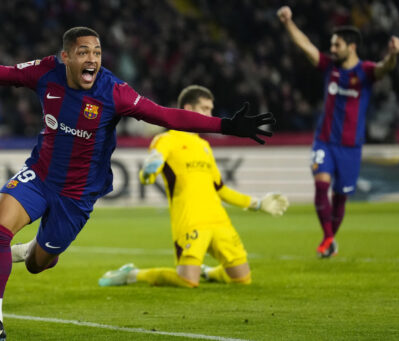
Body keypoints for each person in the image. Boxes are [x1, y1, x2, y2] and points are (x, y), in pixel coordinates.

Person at [0, 24, 275, 341]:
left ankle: (33, 251)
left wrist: (225, 126)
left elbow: (166, 115)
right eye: (82, 52)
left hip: (77, 196)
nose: (92, 58)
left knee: (39, 264)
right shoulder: (45, 73)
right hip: (40, 175)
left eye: (96, 52)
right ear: (65, 57)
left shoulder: (114, 92)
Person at [98, 85, 289, 289]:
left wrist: (258, 204)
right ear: (188, 108)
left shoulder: (204, 146)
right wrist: (148, 172)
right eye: (205, 109)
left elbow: (221, 189)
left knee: (242, 279)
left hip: (219, 222)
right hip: (190, 222)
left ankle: (207, 272)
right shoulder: (166, 139)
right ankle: (133, 274)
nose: (210, 114)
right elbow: (151, 169)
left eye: (211, 109)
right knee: (188, 281)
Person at [276, 6, 399, 258]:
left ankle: (329, 240)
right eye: (332, 45)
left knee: (340, 196)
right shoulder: (328, 68)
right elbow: (306, 46)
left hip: (350, 146)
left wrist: (393, 54)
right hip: (324, 141)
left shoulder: (365, 72)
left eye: (337, 46)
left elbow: (385, 67)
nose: (332, 50)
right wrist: (288, 22)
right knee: (321, 186)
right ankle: (327, 238)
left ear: (351, 47)